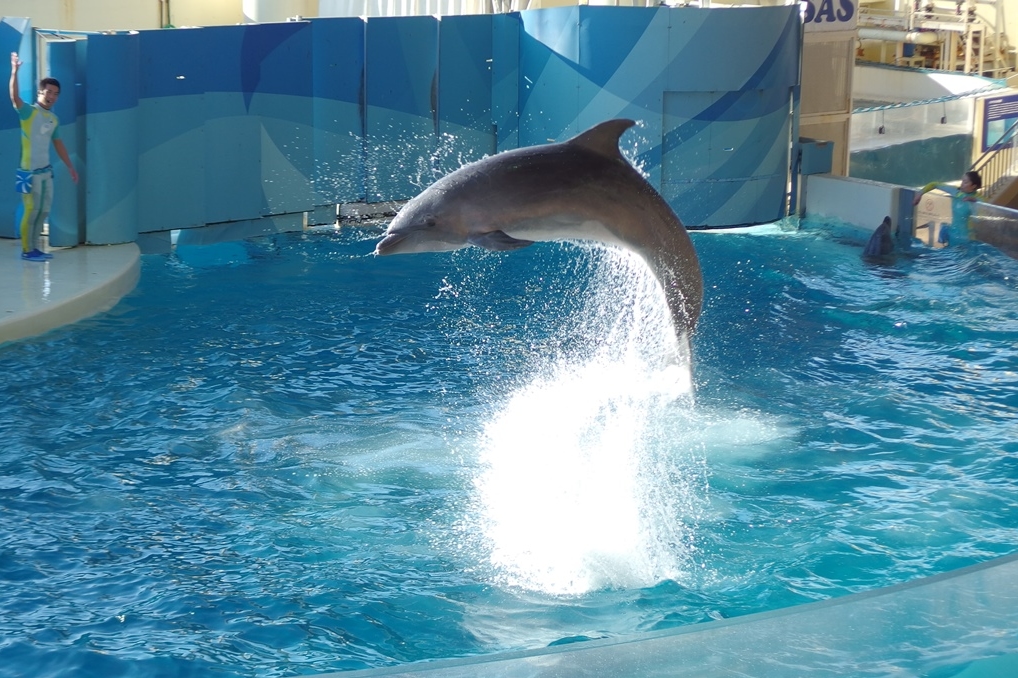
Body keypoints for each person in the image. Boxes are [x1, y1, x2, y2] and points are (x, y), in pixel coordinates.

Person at [9, 52, 78, 262]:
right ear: (40, 92)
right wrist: (15, 71)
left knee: (44, 210)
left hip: (46, 172)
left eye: (56, 93)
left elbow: (58, 143)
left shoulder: (54, 119)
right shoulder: (28, 112)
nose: (51, 96)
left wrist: (69, 166)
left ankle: (35, 248)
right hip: (28, 172)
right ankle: (26, 249)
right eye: (48, 91)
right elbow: (14, 97)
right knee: (31, 210)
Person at [911, 170, 981, 247]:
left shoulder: (980, 199)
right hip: (952, 236)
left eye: (965, 182)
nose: (962, 184)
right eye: (962, 181)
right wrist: (920, 194)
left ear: (974, 186)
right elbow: (934, 184)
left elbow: (978, 219)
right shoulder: (955, 191)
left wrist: (974, 203)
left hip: (967, 239)